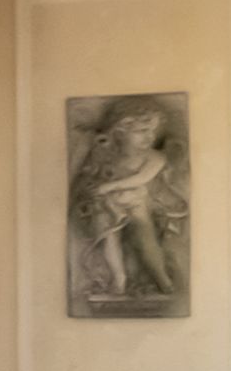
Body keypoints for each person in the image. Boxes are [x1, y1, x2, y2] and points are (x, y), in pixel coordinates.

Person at [71, 102, 184, 304]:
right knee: (108, 237)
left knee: (145, 239)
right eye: (142, 131)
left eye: (152, 131)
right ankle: (119, 279)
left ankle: (162, 278)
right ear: (120, 132)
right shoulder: (108, 155)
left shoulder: (155, 157)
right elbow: (94, 175)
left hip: (138, 203)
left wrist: (109, 187)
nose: (150, 137)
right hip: (108, 205)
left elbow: (141, 178)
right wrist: (95, 187)